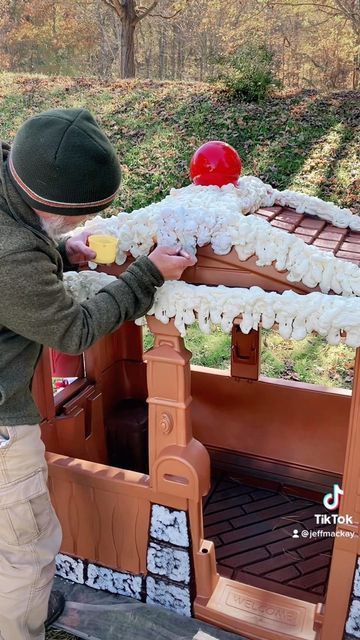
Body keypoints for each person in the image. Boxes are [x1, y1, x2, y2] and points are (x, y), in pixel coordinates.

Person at [0, 108, 196, 640]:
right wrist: (148, 273)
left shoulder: (11, 177)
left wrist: (60, 253)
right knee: (26, 551)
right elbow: (75, 331)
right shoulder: (12, 253)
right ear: (47, 201)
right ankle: (20, 620)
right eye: (70, 221)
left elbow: (22, 252)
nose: (72, 228)